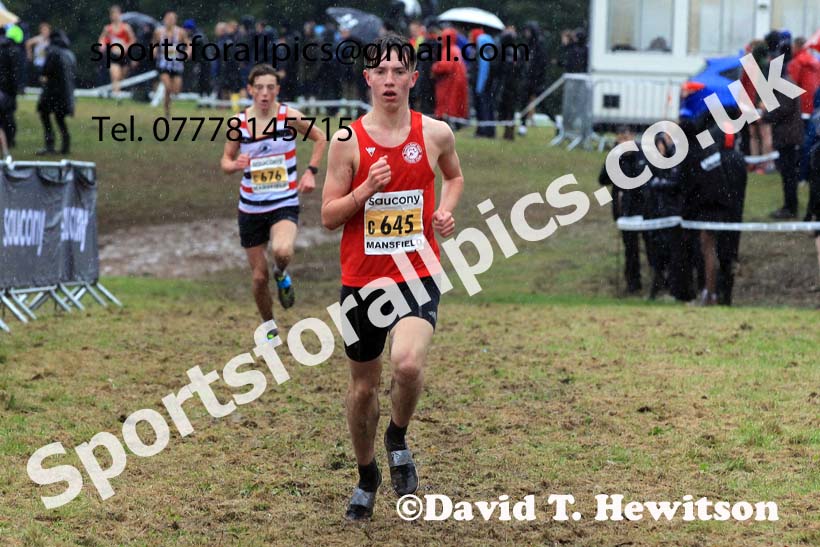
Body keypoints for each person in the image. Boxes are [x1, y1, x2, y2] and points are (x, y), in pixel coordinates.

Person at [321, 33, 463, 521]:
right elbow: (328, 216)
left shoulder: (435, 133)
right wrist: (366, 189)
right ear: (367, 79)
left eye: (398, 71)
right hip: (362, 283)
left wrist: (444, 212)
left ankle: (397, 437)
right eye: (379, 71)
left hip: (417, 273)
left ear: (413, 78)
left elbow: (454, 176)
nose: (389, 80)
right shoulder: (347, 141)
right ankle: (367, 475)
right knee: (363, 389)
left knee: (406, 365)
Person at [220, 64, 327, 338]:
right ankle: (269, 327)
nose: (265, 94)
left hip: (284, 202)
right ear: (250, 90)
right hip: (250, 208)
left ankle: (282, 273)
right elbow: (225, 161)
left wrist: (310, 172)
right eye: (259, 88)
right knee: (258, 277)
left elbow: (319, 137)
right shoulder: (239, 124)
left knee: (282, 252)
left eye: (270, 88)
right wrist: (234, 165)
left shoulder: (288, 117)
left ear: (277, 90)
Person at [680, 123, 748, 306]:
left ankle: (710, 294)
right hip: (726, 209)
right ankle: (719, 294)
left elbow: (692, 183)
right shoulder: (711, 152)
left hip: (709, 208)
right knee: (720, 253)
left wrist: (688, 209)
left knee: (707, 250)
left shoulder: (693, 153)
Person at [598, 127, 650, 295]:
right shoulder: (615, 158)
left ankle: (657, 281)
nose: (624, 142)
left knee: (651, 246)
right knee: (630, 249)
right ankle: (633, 283)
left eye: (626, 138)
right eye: (621, 139)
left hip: (644, 208)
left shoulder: (642, 154)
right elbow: (602, 179)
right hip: (625, 210)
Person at [763, 61, 804, 219]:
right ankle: (789, 206)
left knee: (789, 175)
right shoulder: (786, 82)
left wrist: (764, 116)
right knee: (788, 174)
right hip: (788, 135)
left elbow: (783, 109)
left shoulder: (785, 84)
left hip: (788, 137)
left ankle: (790, 207)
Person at [36, 29, 75, 156]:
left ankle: (50, 145)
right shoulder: (69, 54)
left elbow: (46, 71)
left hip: (52, 92)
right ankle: (65, 145)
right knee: (60, 118)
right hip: (66, 93)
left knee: (45, 115)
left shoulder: (53, 52)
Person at [787, 37, 820, 182]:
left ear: (797, 46)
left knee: (801, 143)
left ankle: (801, 175)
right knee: (811, 142)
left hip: (800, 108)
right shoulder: (815, 62)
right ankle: (808, 174)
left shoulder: (796, 63)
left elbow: (789, 88)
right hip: (814, 108)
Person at [431, 27, 468, 128]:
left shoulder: (448, 50)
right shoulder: (456, 49)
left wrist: (435, 67)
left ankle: (448, 123)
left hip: (449, 82)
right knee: (454, 103)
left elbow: (445, 66)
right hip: (456, 81)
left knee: (447, 104)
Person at [153, 11, 188, 117]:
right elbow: (154, 44)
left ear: (175, 20)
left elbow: (188, 44)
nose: (170, 21)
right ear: (164, 20)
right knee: (167, 87)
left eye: (172, 19)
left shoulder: (181, 32)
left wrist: (187, 52)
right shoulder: (159, 32)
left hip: (177, 64)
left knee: (176, 91)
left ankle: (167, 103)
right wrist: (154, 51)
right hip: (163, 64)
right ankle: (167, 111)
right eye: (168, 19)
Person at [98, 6, 136, 100]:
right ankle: (116, 96)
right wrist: (101, 45)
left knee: (122, 77)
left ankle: (118, 93)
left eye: (117, 14)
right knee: (115, 76)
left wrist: (126, 46)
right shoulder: (108, 29)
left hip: (125, 55)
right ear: (111, 16)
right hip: (113, 55)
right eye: (113, 14)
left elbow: (133, 40)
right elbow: (102, 39)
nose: (115, 16)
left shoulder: (126, 28)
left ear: (120, 15)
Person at [0, 25, 21, 151]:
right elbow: (16, 72)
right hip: (8, 89)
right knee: (8, 115)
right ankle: (9, 140)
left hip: (3, 87)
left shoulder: (3, 48)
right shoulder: (14, 50)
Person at [25, 22, 50, 87]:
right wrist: (29, 54)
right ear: (40, 30)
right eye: (43, 29)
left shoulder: (50, 40)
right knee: (42, 77)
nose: (45, 31)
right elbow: (28, 43)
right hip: (39, 62)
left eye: (46, 29)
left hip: (47, 62)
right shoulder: (39, 38)